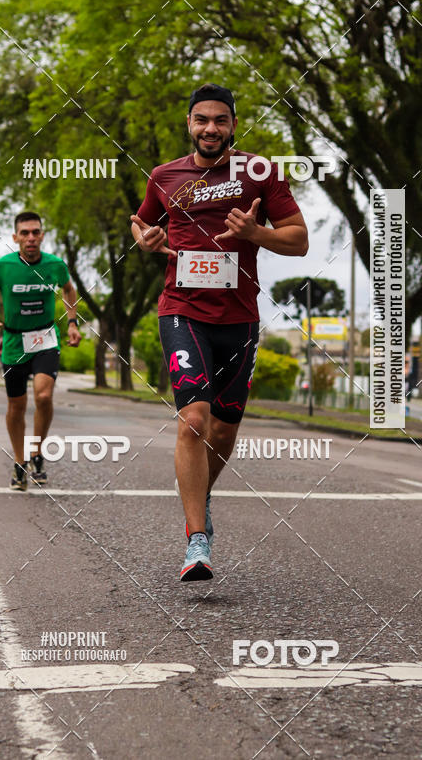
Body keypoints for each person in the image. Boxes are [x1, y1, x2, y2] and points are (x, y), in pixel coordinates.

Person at [130, 83, 308, 582]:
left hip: (240, 317)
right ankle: (196, 540)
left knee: (225, 428)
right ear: (188, 123)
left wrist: (256, 235)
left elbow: (298, 240)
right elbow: (141, 224)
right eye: (202, 120)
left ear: (233, 125)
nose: (211, 128)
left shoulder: (260, 172)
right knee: (193, 419)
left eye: (221, 120)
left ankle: (200, 495)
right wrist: (145, 240)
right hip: (182, 310)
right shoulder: (165, 176)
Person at [0, 211, 81, 491]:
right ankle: (19, 461)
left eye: (35, 232)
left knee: (43, 394)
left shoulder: (55, 265)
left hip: (46, 338)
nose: (30, 237)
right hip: (14, 343)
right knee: (17, 405)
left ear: (42, 235)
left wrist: (72, 323)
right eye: (24, 233)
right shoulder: (3, 267)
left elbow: (69, 290)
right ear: (15, 237)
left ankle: (36, 452)